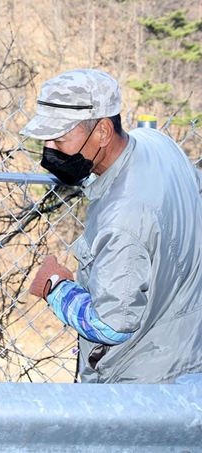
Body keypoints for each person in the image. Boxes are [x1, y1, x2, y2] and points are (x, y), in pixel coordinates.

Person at [21, 68, 202, 383]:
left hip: (144, 381)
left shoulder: (123, 215)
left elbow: (111, 325)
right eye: (45, 138)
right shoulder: (157, 143)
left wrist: (55, 287)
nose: (49, 149)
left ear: (103, 131)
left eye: (60, 138)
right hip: (187, 352)